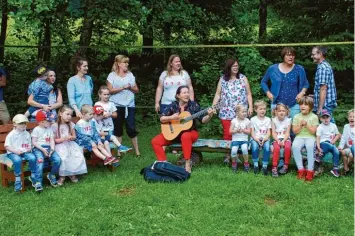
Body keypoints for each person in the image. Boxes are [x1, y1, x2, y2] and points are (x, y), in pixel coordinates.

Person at [151, 85, 215, 173]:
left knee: (185, 136)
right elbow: (162, 118)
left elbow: (203, 120)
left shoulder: (193, 105)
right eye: (184, 93)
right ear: (178, 95)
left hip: (191, 133)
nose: (187, 94)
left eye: (188, 92)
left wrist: (209, 115)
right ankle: (164, 163)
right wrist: (172, 117)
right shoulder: (173, 105)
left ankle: (187, 162)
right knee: (156, 141)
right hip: (175, 134)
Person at [212, 59, 253, 163]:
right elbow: (218, 94)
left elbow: (248, 94)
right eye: (233, 66)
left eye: (237, 66)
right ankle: (227, 155)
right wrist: (213, 106)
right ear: (228, 67)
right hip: (226, 111)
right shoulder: (222, 79)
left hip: (241, 112)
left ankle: (237, 155)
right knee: (228, 133)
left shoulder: (243, 78)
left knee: (240, 133)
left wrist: (251, 107)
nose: (236, 67)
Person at [261, 47, 309, 119]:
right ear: (283, 56)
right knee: (277, 129)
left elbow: (306, 84)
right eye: (288, 55)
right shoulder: (273, 68)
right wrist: (268, 93)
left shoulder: (299, 69)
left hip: (294, 105)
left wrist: (301, 93)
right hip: (276, 104)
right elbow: (263, 82)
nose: (291, 57)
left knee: (293, 129)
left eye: (292, 55)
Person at [106, 55, 140, 157]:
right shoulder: (112, 75)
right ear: (118, 64)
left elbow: (136, 90)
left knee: (131, 128)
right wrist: (122, 87)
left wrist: (130, 87)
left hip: (129, 106)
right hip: (116, 106)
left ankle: (137, 151)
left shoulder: (130, 75)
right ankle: (119, 152)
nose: (127, 64)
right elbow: (110, 91)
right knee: (118, 129)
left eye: (127, 62)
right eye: (124, 62)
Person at [52, 105, 87, 185]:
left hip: (70, 143)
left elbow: (74, 136)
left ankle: (72, 173)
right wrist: (63, 139)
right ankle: (62, 176)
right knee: (64, 156)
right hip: (60, 145)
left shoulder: (71, 124)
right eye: (67, 114)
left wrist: (71, 137)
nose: (69, 117)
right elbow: (54, 140)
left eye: (71, 115)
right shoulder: (55, 126)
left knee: (76, 154)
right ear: (60, 113)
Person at [94, 85, 132, 154]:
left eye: (108, 94)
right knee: (105, 143)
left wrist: (110, 114)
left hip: (110, 127)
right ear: (100, 95)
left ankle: (112, 158)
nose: (106, 96)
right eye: (104, 94)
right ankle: (109, 159)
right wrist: (103, 116)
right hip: (101, 129)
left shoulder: (111, 104)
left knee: (111, 144)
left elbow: (115, 115)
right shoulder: (97, 104)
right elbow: (95, 117)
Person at [5, 114, 37, 192]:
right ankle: (18, 178)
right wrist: (15, 151)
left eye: (24, 123)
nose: (23, 125)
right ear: (14, 124)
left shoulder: (26, 133)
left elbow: (29, 144)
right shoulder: (11, 135)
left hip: (24, 152)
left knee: (33, 157)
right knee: (17, 160)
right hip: (13, 152)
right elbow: (7, 146)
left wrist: (29, 148)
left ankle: (33, 174)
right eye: (20, 124)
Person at [32, 110, 61, 191]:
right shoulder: (36, 130)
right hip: (38, 148)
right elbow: (34, 142)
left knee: (57, 160)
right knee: (40, 161)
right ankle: (38, 182)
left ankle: (51, 175)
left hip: (49, 147)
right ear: (41, 122)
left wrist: (52, 149)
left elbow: (52, 140)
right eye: (49, 121)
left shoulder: (49, 128)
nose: (51, 122)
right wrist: (42, 149)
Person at [292, 96, 319, 181]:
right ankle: (301, 170)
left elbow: (313, 132)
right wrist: (300, 125)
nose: (302, 106)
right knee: (295, 146)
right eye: (301, 104)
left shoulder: (314, 117)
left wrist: (307, 125)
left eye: (305, 104)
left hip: (310, 137)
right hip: (299, 136)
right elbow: (295, 132)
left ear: (310, 107)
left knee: (310, 147)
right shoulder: (296, 116)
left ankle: (310, 171)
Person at [311, 46, 337, 118]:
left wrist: (320, 109)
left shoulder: (323, 68)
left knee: (329, 127)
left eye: (313, 54)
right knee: (327, 127)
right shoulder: (323, 66)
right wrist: (315, 95)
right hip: (325, 103)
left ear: (320, 54)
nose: (311, 56)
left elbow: (323, 88)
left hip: (325, 104)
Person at [316, 109, 341, 177]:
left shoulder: (333, 125)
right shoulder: (320, 127)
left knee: (337, 152)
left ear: (330, 117)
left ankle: (335, 168)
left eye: (327, 117)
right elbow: (318, 138)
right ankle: (319, 155)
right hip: (323, 143)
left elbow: (338, 134)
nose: (325, 119)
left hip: (331, 144)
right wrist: (318, 147)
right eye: (323, 118)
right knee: (330, 146)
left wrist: (334, 141)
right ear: (320, 119)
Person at [250, 100, 271, 175]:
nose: (263, 111)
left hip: (265, 138)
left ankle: (264, 166)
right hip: (255, 138)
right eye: (260, 109)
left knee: (267, 148)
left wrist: (265, 138)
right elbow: (252, 132)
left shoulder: (268, 119)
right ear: (256, 110)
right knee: (255, 147)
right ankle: (256, 164)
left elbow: (269, 132)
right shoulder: (253, 119)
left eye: (264, 109)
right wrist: (256, 139)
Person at [271, 103, 292, 177]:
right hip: (277, 138)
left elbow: (287, 133)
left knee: (287, 147)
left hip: (286, 138)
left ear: (286, 112)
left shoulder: (288, 120)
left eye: (283, 110)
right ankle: (274, 167)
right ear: (276, 112)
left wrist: (283, 140)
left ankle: (285, 165)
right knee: (276, 148)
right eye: (279, 111)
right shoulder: (273, 120)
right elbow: (273, 133)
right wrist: (277, 140)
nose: (281, 112)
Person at [229, 105, 251, 173]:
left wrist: (244, 130)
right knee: (233, 151)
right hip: (235, 140)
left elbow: (249, 132)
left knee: (244, 149)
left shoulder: (247, 120)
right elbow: (230, 131)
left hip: (244, 140)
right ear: (237, 113)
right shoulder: (234, 121)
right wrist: (236, 131)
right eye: (243, 112)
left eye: (245, 111)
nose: (245, 113)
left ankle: (246, 164)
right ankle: (234, 164)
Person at [338, 109, 354, 176]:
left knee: (351, 155)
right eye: (350, 116)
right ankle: (346, 169)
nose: (352, 118)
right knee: (343, 152)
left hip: (354, 149)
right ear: (348, 118)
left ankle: (349, 166)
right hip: (349, 148)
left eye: (354, 117)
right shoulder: (346, 126)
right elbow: (343, 138)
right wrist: (340, 146)